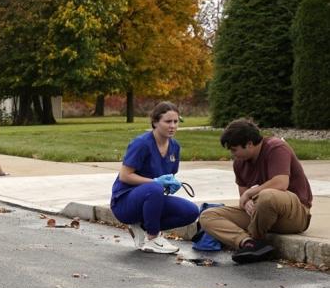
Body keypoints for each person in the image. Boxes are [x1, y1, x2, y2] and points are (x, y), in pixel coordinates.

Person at [199, 119, 313, 264]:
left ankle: (256, 238)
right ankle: (249, 244)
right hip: (261, 214)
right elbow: (243, 198)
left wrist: (249, 194)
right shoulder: (239, 163)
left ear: (249, 144)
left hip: (294, 215)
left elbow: (281, 183)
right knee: (208, 215)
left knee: (267, 196)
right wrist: (246, 202)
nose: (233, 154)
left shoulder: (276, 147)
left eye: (234, 149)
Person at [107, 102, 199, 254]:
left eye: (176, 122)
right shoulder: (142, 144)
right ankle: (153, 237)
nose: (173, 126)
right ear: (155, 122)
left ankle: (144, 227)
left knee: (191, 211)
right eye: (168, 121)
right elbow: (125, 175)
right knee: (155, 188)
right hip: (125, 202)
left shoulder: (175, 147)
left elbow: (169, 175)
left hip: (151, 198)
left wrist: (171, 183)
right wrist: (156, 182)